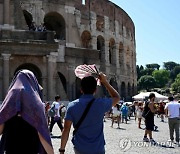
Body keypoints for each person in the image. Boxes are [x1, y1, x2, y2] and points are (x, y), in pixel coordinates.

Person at [60, 73, 120, 154]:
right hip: (97, 148)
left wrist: (62, 150)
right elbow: (116, 97)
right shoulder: (101, 104)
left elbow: (66, 129)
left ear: (81, 89)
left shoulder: (72, 106)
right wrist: (105, 82)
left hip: (80, 148)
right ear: (95, 90)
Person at [0, 69, 53, 154]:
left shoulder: (9, 102)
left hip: (10, 148)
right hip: (31, 148)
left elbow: (0, 130)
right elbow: (42, 134)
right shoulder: (37, 104)